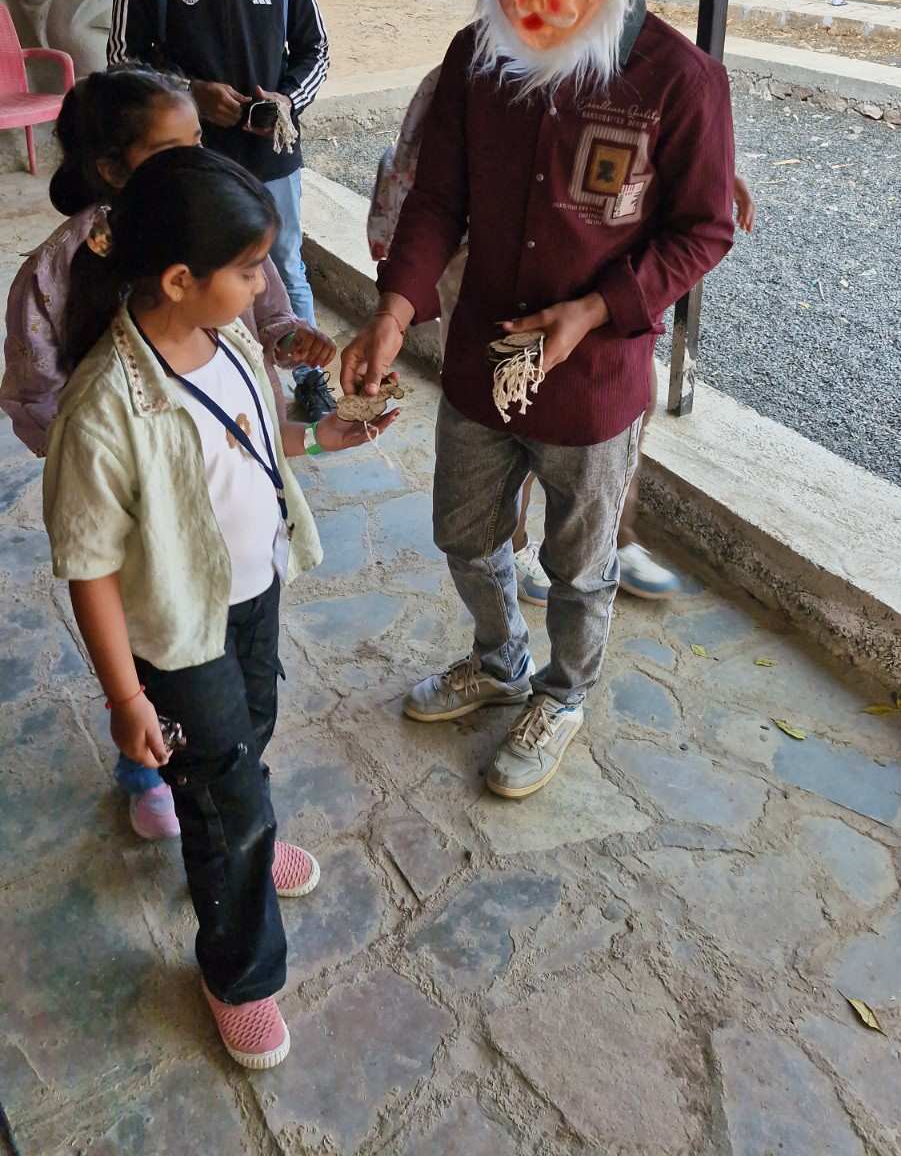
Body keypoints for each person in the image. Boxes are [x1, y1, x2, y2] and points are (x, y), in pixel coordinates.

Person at [342, 0, 736, 801]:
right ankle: (498, 658)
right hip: (478, 363)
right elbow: (440, 200)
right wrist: (393, 309)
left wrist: (596, 310)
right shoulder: (482, 58)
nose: (532, 1)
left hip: (594, 380)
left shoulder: (679, 81)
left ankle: (562, 688)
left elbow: (702, 231)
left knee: (580, 565)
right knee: (464, 537)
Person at [42, 146, 395, 1069]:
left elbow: (249, 438)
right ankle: (238, 970)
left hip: (251, 592)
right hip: (176, 626)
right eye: (249, 269)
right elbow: (88, 566)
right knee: (218, 789)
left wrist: (320, 436)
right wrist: (126, 699)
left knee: (251, 732)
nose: (268, 284)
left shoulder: (231, 339)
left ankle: (246, 823)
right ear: (177, 278)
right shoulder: (102, 407)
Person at [0, 66, 335, 842]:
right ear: (112, 169)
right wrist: (108, 465)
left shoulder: (219, 229)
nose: (196, 157)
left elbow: (263, 317)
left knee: (221, 647)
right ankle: (152, 764)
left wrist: (290, 342)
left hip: (219, 498)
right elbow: (36, 393)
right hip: (128, 501)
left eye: (197, 141)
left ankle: (219, 774)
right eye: (170, 147)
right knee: (151, 637)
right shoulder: (57, 272)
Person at [368, 86, 757, 607]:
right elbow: (434, 195)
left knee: (627, 400)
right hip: (487, 277)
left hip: (585, 286)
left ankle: (609, 537)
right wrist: (396, 309)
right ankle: (515, 545)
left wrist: (707, 173)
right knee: (512, 406)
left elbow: (638, 156)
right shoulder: (473, 76)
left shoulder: (644, 73)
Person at [107, 0, 334, 424]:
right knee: (200, 270)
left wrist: (285, 100)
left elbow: (316, 50)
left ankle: (308, 376)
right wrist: (192, 94)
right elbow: (124, 61)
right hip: (189, 159)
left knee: (284, 261)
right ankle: (218, 385)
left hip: (271, 151)